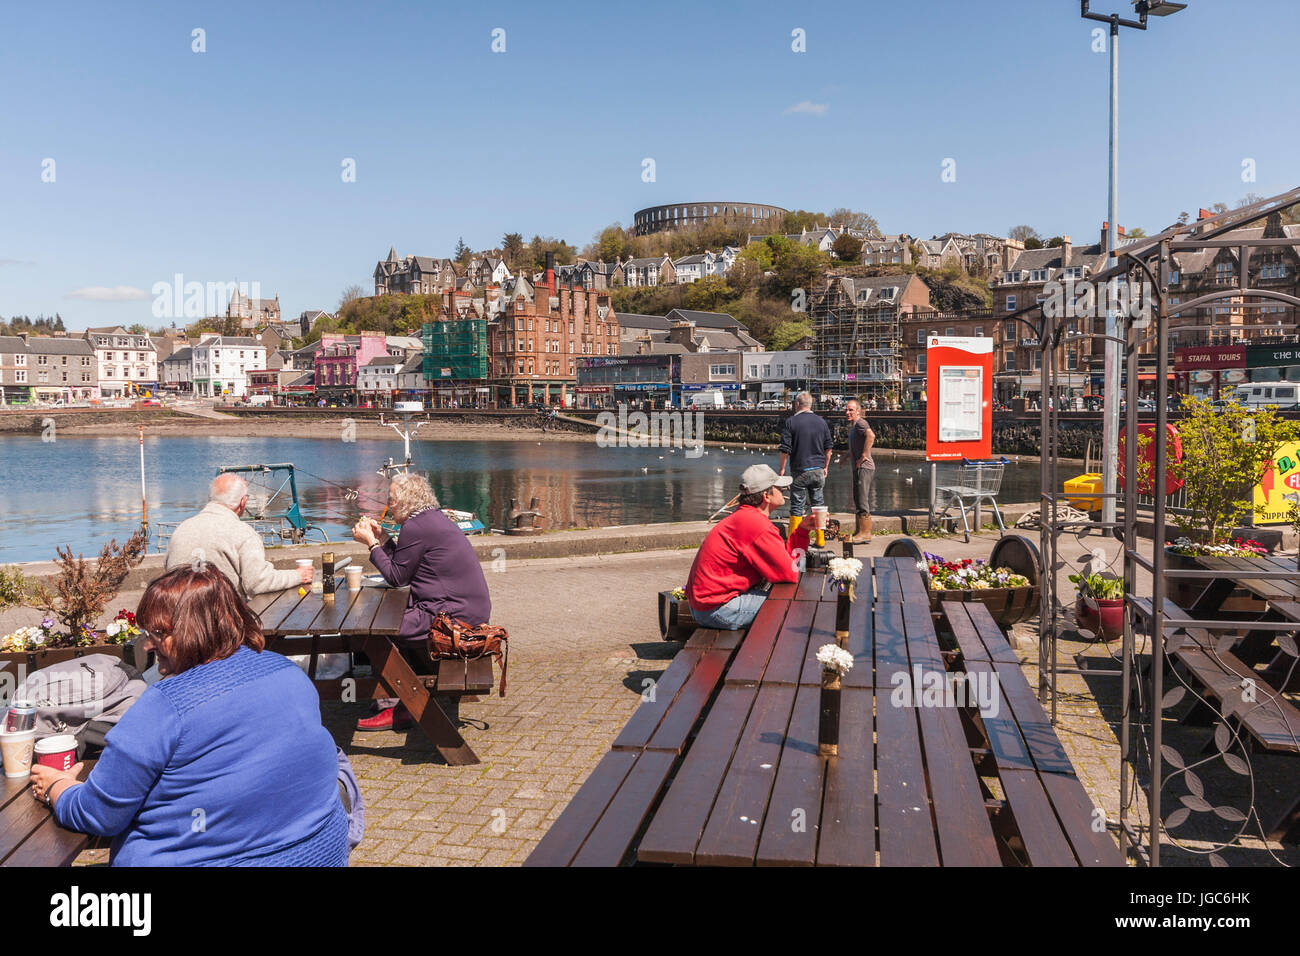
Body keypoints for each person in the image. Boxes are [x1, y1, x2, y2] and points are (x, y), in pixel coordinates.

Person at [29, 566, 349, 866]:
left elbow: (99, 813)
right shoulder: (286, 672)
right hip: (318, 852)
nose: (150, 645)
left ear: (194, 630)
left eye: (159, 633)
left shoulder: (164, 708)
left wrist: (58, 788)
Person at [351, 472, 491, 731]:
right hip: (464, 611)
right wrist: (383, 540)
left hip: (450, 619)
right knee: (384, 622)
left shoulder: (416, 526)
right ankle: (397, 697)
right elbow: (405, 565)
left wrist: (371, 544)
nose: (388, 506)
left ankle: (400, 704)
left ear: (406, 501)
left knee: (374, 630)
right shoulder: (430, 520)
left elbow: (396, 577)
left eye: (391, 500)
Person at [685, 464, 799, 630]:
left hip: (705, 606)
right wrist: (800, 537)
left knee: (786, 597)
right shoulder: (757, 525)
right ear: (766, 495)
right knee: (793, 606)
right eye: (780, 487)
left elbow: (786, 564)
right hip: (719, 609)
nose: (784, 490)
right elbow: (789, 574)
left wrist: (802, 532)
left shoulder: (743, 516)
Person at [164, 473, 314, 598]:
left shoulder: (182, 529)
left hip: (178, 619)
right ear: (243, 502)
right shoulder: (243, 533)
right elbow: (257, 583)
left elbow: (168, 572)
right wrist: (298, 575)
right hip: (222, 622)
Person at [777, 391, 833, 539]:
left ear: (797, 405)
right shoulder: (821, 422)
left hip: (800, 470)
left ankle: (794, 541)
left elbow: (785, 449)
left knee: (797, 505)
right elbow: (829, 449)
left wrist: (782, 469)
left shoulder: (791, 422)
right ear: (810, 405)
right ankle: (821, 540)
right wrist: (826, 467)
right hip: (818, 470)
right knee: (819, 504)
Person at [844, 399, 876, 543]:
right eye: (846, 410)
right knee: (857, 498)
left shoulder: (861, 423)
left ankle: (866, 533)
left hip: (865, 468)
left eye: (851, 410)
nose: (847, 412)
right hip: (858, 468)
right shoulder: (854, 426)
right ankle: (860, 531)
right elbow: (856, 446)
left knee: (862, 499)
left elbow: (871, 436)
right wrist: (846, 456)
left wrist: (863, 456)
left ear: (858, 411)